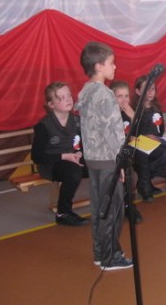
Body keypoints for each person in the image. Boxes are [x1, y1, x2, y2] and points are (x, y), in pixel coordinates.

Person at [75, 41, 133, 270]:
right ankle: (110, 258)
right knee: (112, 211)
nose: (115, 67)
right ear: (99, 67)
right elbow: (113, 133)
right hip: (108, 160)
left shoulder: (86, 90)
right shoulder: (104, 94)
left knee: (100, 208)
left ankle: (101, 253)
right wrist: (121, 164)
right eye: (111, 63)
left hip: (93, 159)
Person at [31, 82, 89, 227]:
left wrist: (80, 152)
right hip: (51, 165)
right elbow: (37, 157)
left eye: (69, 95)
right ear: (51, 104)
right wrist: (65, 156)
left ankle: (113, 202)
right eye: (61, 98)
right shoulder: (43, 126)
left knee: (102, 164)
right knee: (73, 171)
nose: (68, 99)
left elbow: (84, 144)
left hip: (73, 159)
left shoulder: (77, 121)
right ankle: (63, 213)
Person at [130, 75, 166, 202]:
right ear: (138, 91)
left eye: (152, 89)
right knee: (161, 155)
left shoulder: (156, 106)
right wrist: (143, 137)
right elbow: (130, 133)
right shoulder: (134, 110)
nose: (150, 92)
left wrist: (165, 128)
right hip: (140, 144)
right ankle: (144, 184)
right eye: (146, 89)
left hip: (157, 141)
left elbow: (159, 125)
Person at [108, 80, 144, 224]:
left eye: (126, 96)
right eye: (120, 96)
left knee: (142, 158)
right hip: (112, 152)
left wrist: (133, 118)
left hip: (128, 150)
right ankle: (123, 205)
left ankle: (129, 203)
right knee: (130, 174)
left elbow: (138, 133)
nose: (124, 100)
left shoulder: (128, 112)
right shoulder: (109, 115)